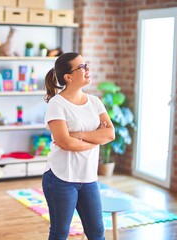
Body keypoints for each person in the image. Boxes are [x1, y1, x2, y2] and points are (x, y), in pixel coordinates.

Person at [42, 52, 115, 240]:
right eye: (82, 67)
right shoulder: (57, 104)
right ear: (68, 77)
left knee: (97, 232)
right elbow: (64, 142)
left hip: (88, 178)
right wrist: (94, 139)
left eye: (86, 64)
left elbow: (110, 134)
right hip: (60, 178)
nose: (88, 69)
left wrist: (79, 136)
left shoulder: (95, 102)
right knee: (60, 234)